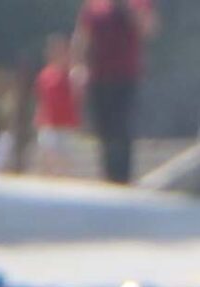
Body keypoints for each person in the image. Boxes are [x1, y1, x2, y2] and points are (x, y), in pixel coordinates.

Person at [73, 0, 154, 184]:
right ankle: (108, 177)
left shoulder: (139, 3)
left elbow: (148, 29)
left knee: (122, 129)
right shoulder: (95, 5)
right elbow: (82, 34)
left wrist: (128, 9)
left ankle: (123, 178)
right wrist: (78, 66)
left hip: (126, 78)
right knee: (103, 130)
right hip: (98, 77)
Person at [32, 31, 84, 175]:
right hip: (48, 125)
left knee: (64, 164)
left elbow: (79, 94)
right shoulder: (45, 75)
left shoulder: (74, 74)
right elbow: (41, 99)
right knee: (48, 157)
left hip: (66, 127)